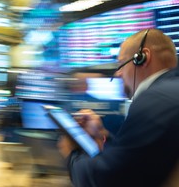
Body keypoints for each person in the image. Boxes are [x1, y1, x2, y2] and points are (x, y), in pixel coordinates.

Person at [58, 28, 179, 187]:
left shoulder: (155, 99)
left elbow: (107, 180)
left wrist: (72, 155)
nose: (118, 74)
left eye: (121, 64)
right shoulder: (169, 93)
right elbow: (137, 160)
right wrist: (103, 135)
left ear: (142, 58)